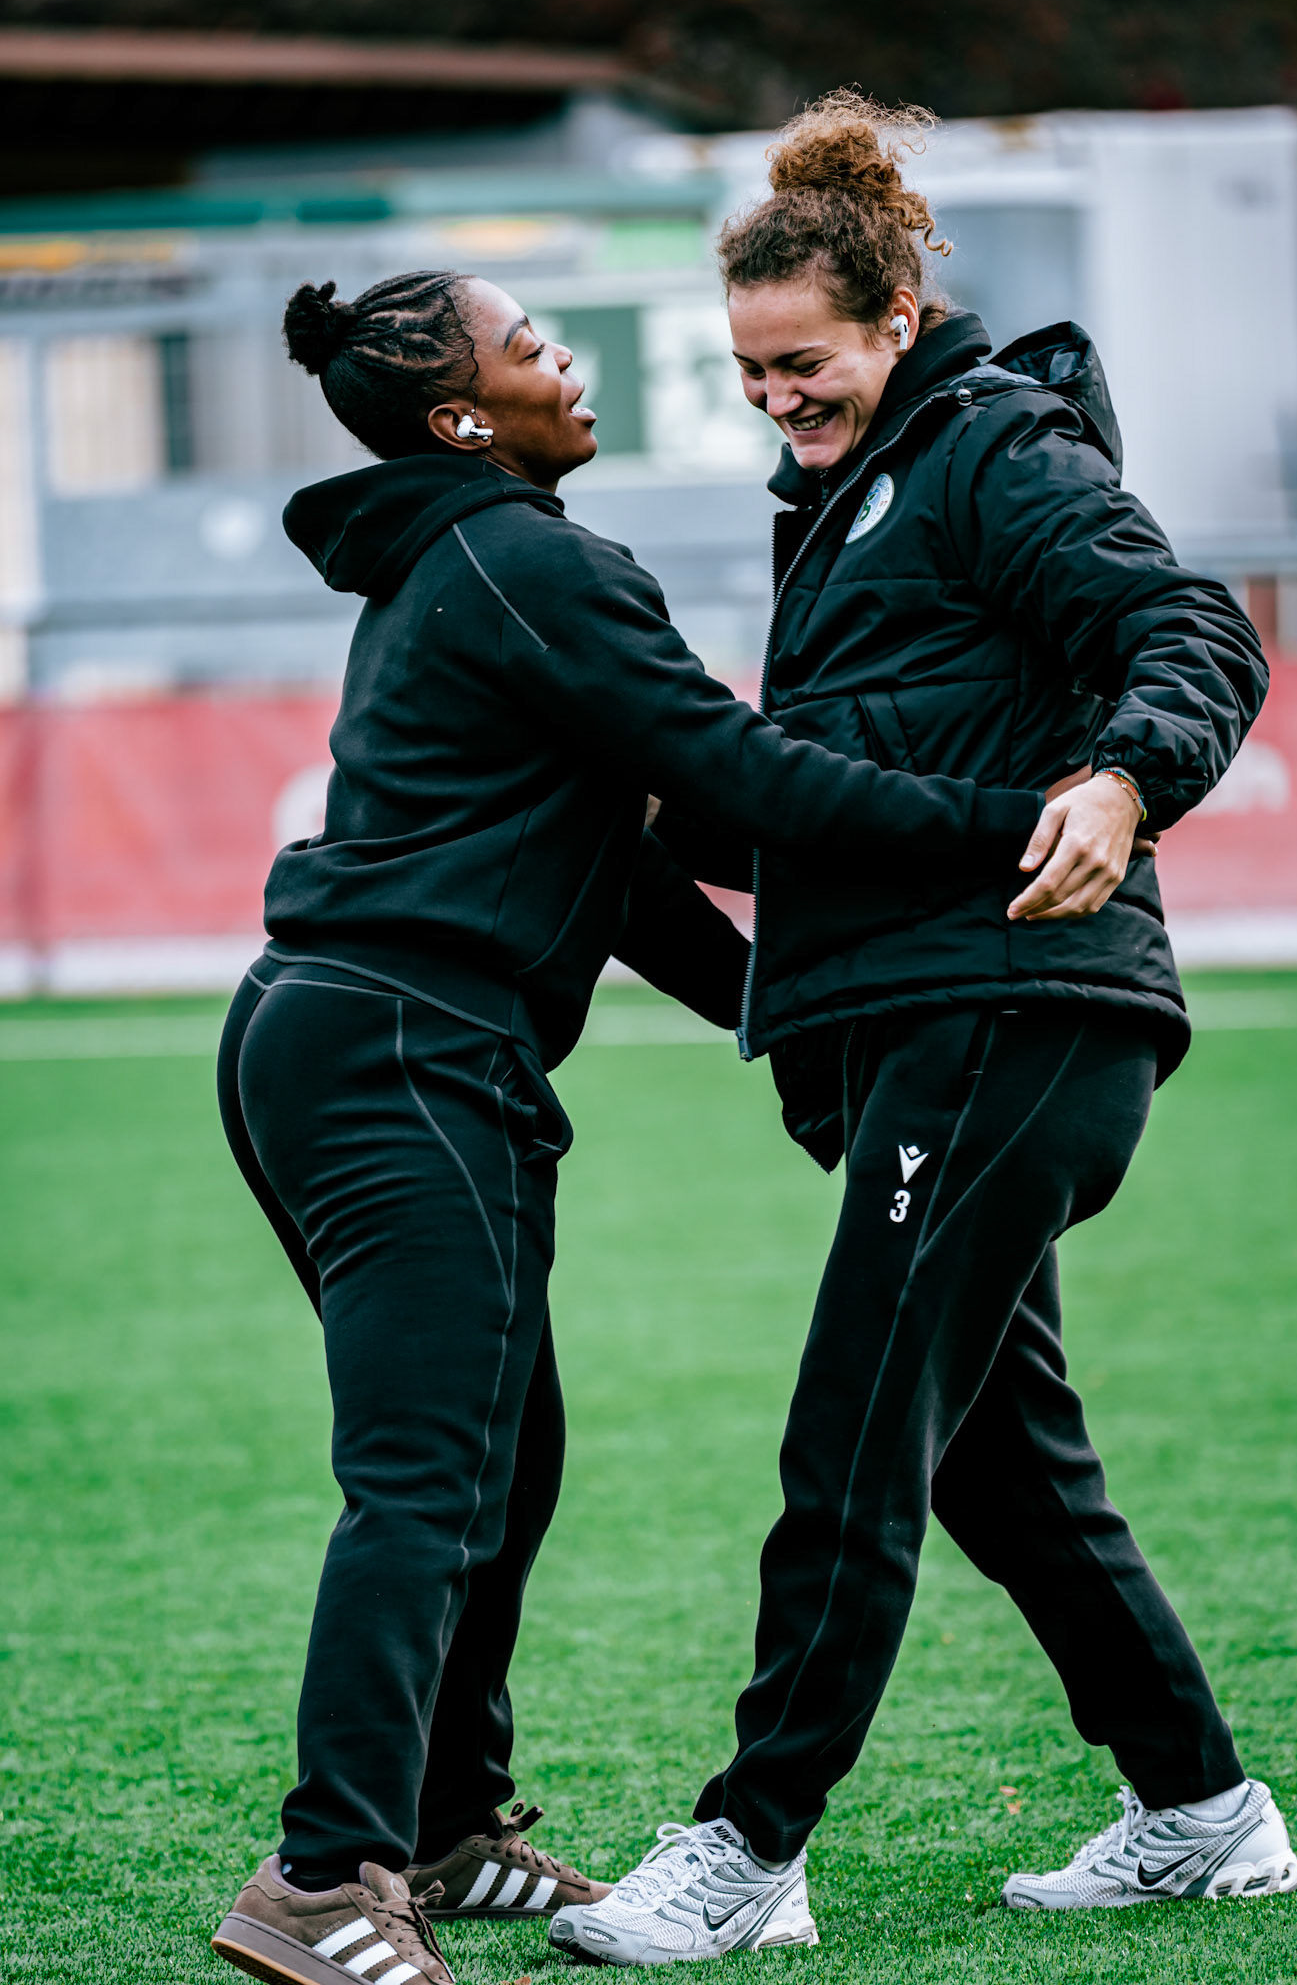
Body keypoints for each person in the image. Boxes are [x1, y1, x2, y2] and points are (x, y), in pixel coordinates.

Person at [209, 265, 1058, 1985]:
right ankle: (319, 1884)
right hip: (399, 1053)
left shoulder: (476, 562)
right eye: (530, 347)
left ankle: (446, 1829)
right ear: (463, 419)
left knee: (498, 1463)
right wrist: (1020, 823)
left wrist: (800, 1028)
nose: (563, 361)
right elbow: (740, 779)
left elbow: (639, 875)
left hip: (359, 1041)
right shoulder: (530, 559)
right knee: (428, 1481)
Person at [551, 93, 1297, 1967]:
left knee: (857, 1434)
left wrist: (1129, 782)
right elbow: (850, 787)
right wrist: (648, 804)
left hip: (1019, 1007)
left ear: (892, 322)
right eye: (746, 371)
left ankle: (748, 1847)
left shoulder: (993, 452)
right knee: (992, 1454)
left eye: (798, 361)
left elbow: (1191, 634)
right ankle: (1205, 1813)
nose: (773, 398)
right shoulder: (846, 497)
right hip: (918, 1024)